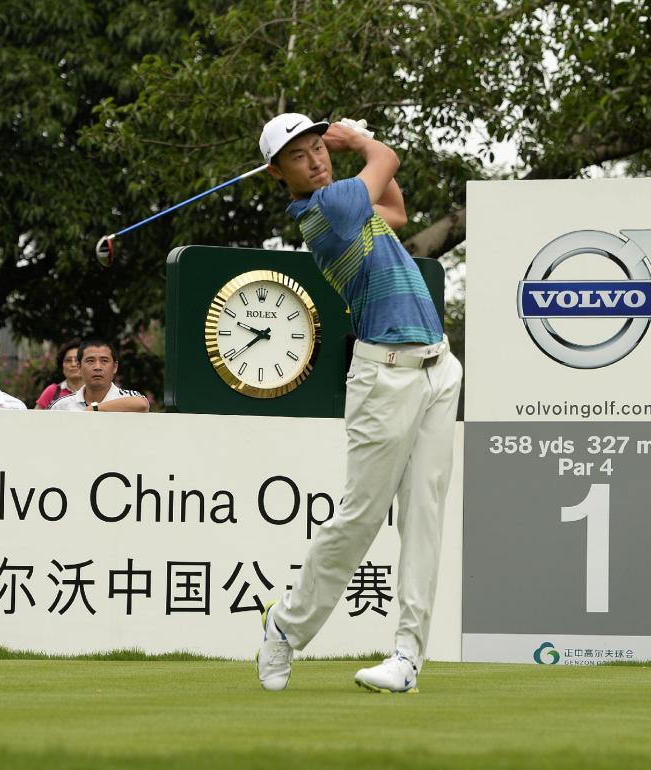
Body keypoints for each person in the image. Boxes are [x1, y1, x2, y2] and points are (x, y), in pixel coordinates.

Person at [255, 113, 462, 693]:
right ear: (278, 173)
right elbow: (387, 161)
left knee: (424, 515)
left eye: (320, 147)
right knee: (361, 518)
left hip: (438, 368)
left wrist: (359, 150)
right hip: (384, 376)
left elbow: (394, 210)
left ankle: (406, 657)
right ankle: (286, 628)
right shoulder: (324, 211)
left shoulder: (353, 204)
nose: (317, 159)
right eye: (300, 156)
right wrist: (358, 141)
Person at [49, 339, 149, 412]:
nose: (97, 367)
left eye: (104, 361)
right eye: (90, 361)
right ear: (79, 367)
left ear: (115, 367)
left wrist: (94, 408)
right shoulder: (61, 405)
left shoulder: (128, 397)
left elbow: (143, 404)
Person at [35, 338, 83, 409]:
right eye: (68, 360)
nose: (73, 364)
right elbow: (34, 418)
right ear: (62, 366)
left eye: (77, 360)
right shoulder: (52, 391)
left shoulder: (97, 391)